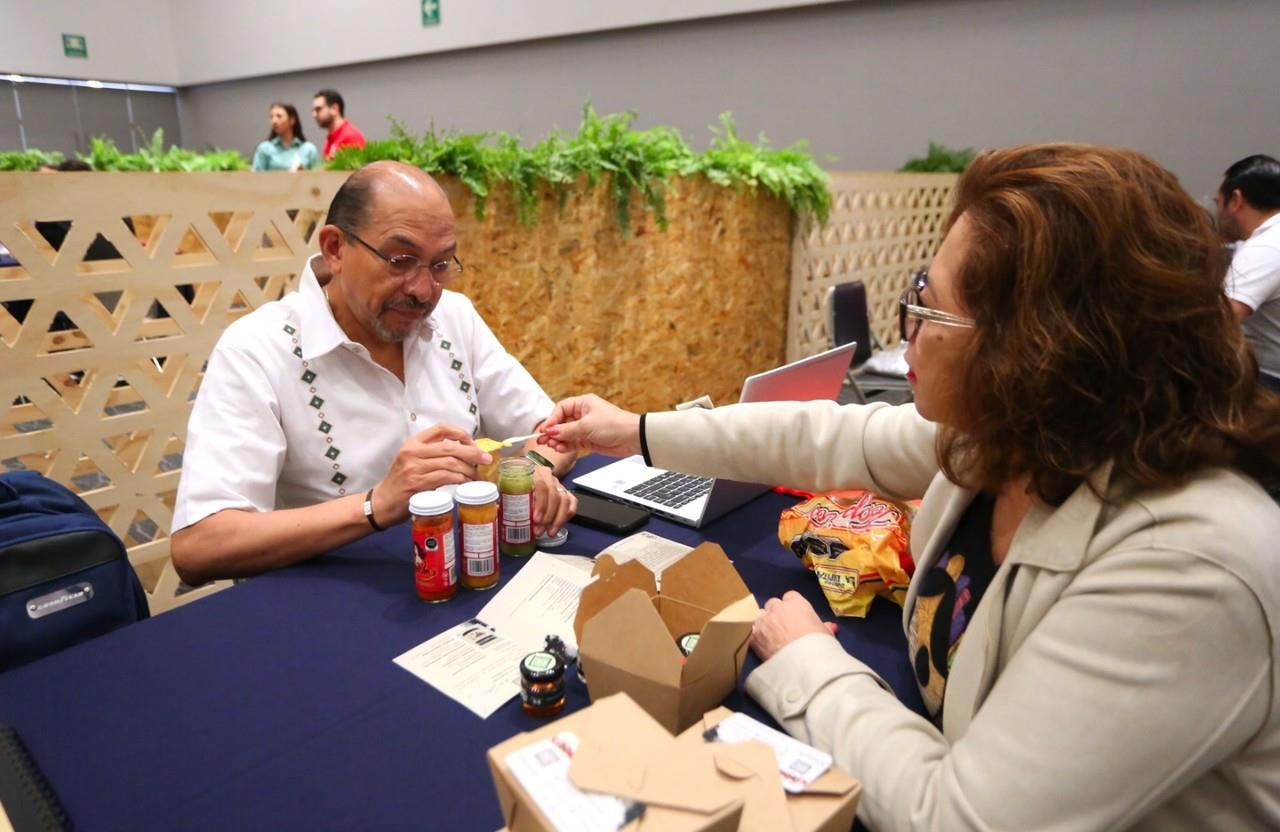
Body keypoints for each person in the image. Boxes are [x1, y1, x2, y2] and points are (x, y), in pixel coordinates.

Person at [538, 145, 1280, 830]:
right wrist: (636, 430)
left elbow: (956, 817)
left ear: (1038, 353)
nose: (907, 332)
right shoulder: (1026, 434)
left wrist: (806, 664)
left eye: (929, 307)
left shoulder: (1189, 571)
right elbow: (825, 437)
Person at [171, 161, 577, 585]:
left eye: (440, 265)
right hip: (327, 601)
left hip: (463, 572)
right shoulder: (256, 350)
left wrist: (533, 469)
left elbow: (554, 434)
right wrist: (376, 505)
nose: (423, 291)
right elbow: (199, 546)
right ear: (334, 249)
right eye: (401, 260)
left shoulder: (454, 317)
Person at [1218, 154, 1280, 392]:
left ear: (1236, 200)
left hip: (1271, 382)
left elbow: (1221, 320)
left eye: (1218, 202)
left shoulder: (1265, 247)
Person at [251, 102, 319, 172]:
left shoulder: (309, 149)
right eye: (271, 117)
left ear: (292, 120)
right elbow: (255, 178)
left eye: (279, 116)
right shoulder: (264, 148)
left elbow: (317, 179)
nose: (274, 121)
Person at [313, 89, 366, 162]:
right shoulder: (331, 137)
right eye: (313, 110)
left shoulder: (351, 137)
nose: (314, 115)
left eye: (318, 109)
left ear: (334, 109)